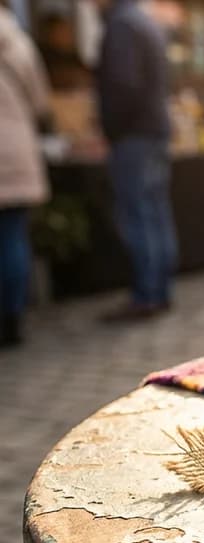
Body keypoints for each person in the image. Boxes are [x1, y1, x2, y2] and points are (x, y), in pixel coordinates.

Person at [95, 0, 176, 321]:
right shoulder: (142, 20)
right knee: (154, 213)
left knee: (140, 215)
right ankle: (159, 290)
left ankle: (147, 294)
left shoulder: (122, 25)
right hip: (150, 131)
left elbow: (124, 87)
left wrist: (110, 129)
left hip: (134, 135)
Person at [0, 2, 50, 347]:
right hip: (15, 150)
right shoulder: (18, 42)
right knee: (12, 234)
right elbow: (41, 101)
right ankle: (12, 318)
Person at [36, 14, 90, 92]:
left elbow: (86, 75)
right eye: (61, 31)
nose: (68, 34)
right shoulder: (43, 57)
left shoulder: (72, 54)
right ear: (50, 34)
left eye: (68, 30)